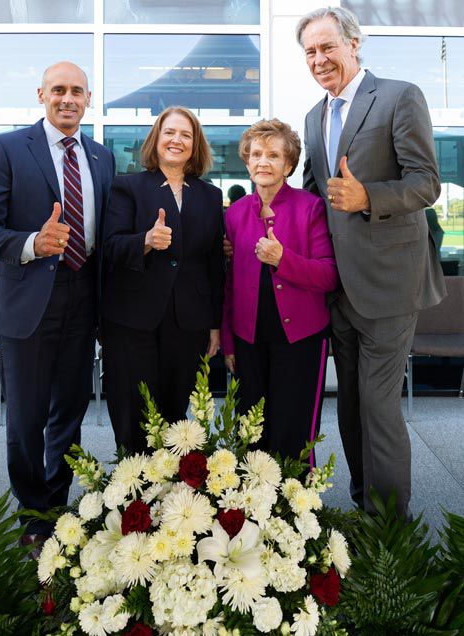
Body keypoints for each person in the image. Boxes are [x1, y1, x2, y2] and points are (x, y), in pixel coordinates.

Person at [295, 7, 446, 516]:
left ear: (353, 44)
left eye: (327, 47)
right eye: (310, 51)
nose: (319, 59)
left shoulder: (400, 96)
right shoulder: (314, 117)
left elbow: (426, 182)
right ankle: (366, 507)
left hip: (388, 284)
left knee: (378, 408)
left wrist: (368, 198)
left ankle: (390, 529)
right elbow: (313, 199)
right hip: (338, 286)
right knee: (353, 409)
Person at [0, 61, 115, 552]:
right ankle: (33, 515)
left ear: (88, 99)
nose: (67, 98)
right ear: (41, 95)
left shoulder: (100, 156)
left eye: (77, 91)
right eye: (58, 90)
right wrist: (33, 241)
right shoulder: (7, 148)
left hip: (82, 296)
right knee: (27, 417)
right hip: (27, 297)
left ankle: (57, 504)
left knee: (69, 411)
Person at [101, 106, 224, 453]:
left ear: (195, 145)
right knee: (132, 411)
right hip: (131, 319)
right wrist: (145, 240)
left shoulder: (211, 196)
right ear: (156, 139)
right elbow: (110, 246)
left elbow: (215, 265)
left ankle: (169, 494)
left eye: (186, 134)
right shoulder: (127, 187)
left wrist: (215, 324)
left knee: (173, 414)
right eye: (170, 132)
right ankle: (131, 496)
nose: (177, 140)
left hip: (189, 321)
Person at [221, 119, 338, 463]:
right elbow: (228, 284)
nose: (263, 161)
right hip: (248, 338)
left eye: (274, 155)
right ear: (247, 161)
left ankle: (296, 508)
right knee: (251, 431)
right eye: (256, 154)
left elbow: (329, 275)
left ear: (288, 165)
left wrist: (283, 259)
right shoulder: (235, 214)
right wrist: (229, 342)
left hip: (300, 337)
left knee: (294, 430)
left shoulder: (311, 207)